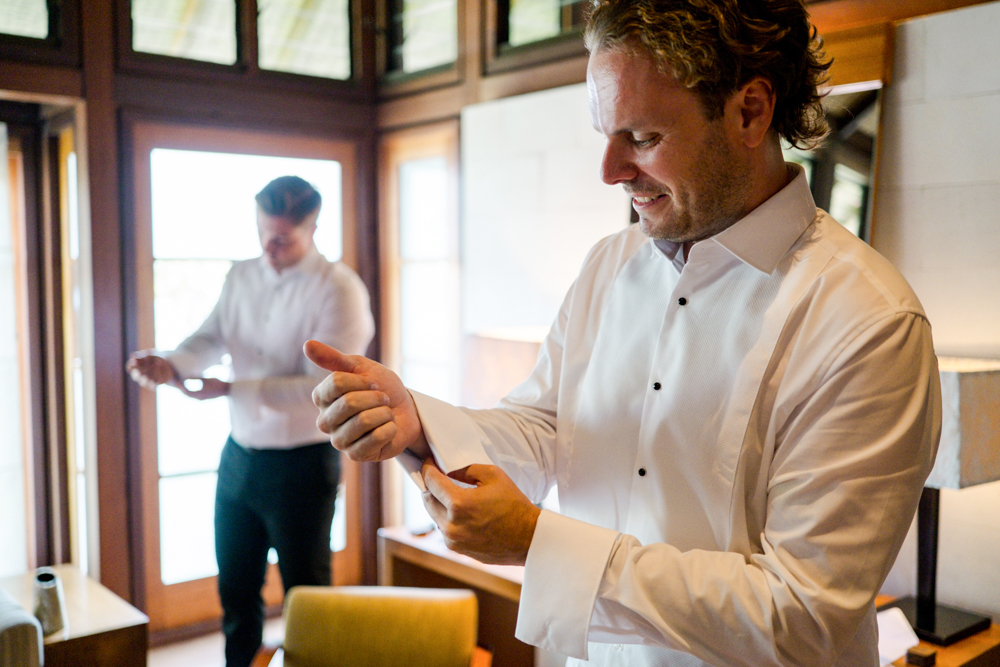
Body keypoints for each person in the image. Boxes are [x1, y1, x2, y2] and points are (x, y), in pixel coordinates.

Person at [307, 1, 941, 665]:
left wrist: (539, 543)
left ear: (750, 112)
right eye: (606, 135)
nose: (609, 170)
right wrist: (419, 422)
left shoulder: (868, 323)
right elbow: (549, 427)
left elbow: (803, 615)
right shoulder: (608, 264)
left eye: (641, 137)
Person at [126, 175, 374, 667]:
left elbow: (321, 389)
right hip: (239, 455)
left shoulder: (340, 289)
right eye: (262, 232)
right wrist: (171, 364)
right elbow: (210, 337)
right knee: (236, 590)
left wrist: (231, 389)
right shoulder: (241, 275)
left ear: (313, 229)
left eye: (281, 238)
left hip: (303, 464)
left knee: (307, 598)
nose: (268, 247)